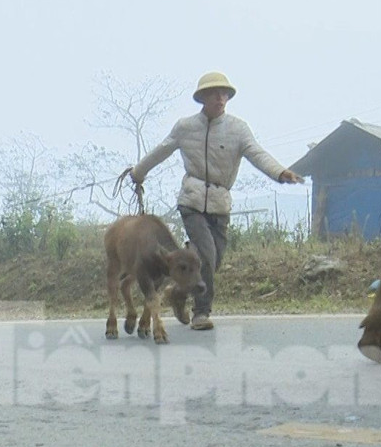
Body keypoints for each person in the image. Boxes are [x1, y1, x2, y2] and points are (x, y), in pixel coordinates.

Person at [128, 71, 304, 331]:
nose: (220, 98)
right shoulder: (185, 127)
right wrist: (138, 172)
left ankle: (178, 292)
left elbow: (257, 153)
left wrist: (280, 172)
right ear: (202, 98)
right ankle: (201, 312)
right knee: (207, 255)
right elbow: (162, 150)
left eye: (224, 94)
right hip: (192, 201)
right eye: (213, 93)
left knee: (215, 259)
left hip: (221, 203)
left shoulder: (238, 129)